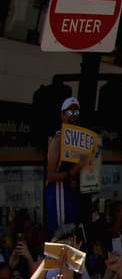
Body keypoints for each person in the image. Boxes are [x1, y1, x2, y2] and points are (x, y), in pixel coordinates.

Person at [44, 97, 85, 236]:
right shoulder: (57, 140)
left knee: (72, 233)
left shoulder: (77, 140)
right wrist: (71, 173)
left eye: (76, 113)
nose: (73, 117)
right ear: (62, 114)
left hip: (70, 194)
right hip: (58, 194)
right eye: (70, 113)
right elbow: (50, 176)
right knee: (61, 235)